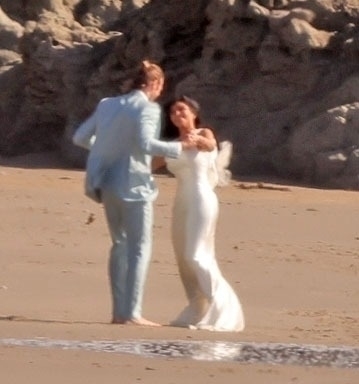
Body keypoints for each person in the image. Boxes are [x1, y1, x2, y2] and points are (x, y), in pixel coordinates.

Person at [72, 61, 198, 327]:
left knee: (119, 245)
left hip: (106, 182)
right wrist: (179, 146)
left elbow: (81, 137)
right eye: (160, 87)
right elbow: (145, 144)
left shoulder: (107, 104)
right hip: (135, 185)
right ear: (155, 84)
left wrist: (105, 150)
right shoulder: (147, 108)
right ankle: (132, 313)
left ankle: (119, 312)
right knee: (139, 248)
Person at [161, 95, 245, 331]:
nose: (177, 115)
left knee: (196, 255)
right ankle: (198, 307)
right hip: (182, 203)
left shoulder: (204, 133)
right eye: (173, 112)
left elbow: (210, 146)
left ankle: (223, 309)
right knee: (183, 259)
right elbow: (149, 163)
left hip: (202, 200)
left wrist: (193, 139)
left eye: (182, 110)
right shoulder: (173, 144)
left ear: (193, 113)